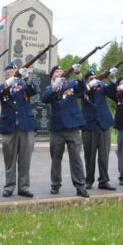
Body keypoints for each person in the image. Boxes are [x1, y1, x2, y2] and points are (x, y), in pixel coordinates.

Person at [41, 64, 89, 197]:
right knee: (56, 158)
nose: (59, 73)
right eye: (56, 71)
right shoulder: (49, 88)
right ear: (52, 76)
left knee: (76, 158)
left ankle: (80, 186)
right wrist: (54, 86)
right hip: (57, 128)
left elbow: (83, 88)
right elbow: (44, 99)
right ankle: (55, 184)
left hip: (72, 127)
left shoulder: (71, 84)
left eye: (61, 71)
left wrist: (79, 74)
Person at [0, 61, 38, 198]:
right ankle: (9, 186)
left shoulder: (24, 85)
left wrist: (28, 78)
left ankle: (24, 187)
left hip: (25, 126)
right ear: (7, 74)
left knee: (25, 160)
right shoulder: (3, 86)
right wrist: (7, 83)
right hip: (9, 127)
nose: (14, 72)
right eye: (11, 71)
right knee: (9, 160)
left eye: (15, 71)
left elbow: (34, 90)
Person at [80, 70, 117, 191]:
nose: (94, 79)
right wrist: (89, 85)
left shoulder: (102, 86)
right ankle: (89, 180)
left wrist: (112, 80)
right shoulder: (83, 88)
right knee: (89, 155)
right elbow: (81, 94)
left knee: (104, 155)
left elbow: (113, 94)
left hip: (103, 124)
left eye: (95, 78)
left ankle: (104, 181)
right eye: (90, 78)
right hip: (89, 125)